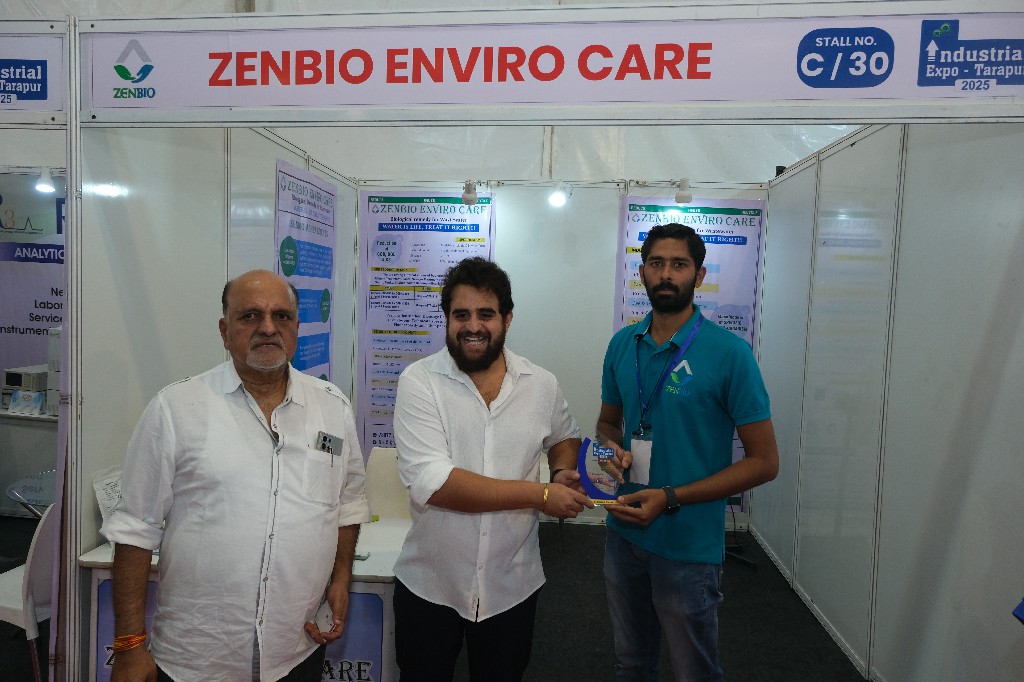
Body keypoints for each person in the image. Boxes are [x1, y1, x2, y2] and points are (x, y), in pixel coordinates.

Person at [101, 269, 372, 682]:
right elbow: (134, 530)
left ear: (297, 328)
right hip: (198, 658)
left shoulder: (332, 407)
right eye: (250, 316)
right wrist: (128, 645)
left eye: (281, 316)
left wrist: (340, 575)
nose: (268, 328)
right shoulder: (176, 409)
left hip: (297, 647)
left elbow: (348, 502)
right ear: (224, 331)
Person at [391, 256, 593, 682]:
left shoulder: (541, 384)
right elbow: (437, 485)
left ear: (507, 318)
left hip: (511, 585)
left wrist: (561, 471)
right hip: (431, 583)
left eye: (486, 314)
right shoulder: (419, 381)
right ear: (446, 318)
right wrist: (540, 494)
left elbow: (565, 436)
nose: (473, 326)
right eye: (460, 315)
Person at [597, 223, 780, 681]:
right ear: (641, 272)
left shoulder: (730, 354)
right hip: (623, 532)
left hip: (688, 544)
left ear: (698, 276)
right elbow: (606, 423)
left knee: (693, 671)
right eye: (656, 263)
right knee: (630, 664)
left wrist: (671, 496)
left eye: (679, 265)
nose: (666, 274)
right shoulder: (622, 345)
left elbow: (764, 462)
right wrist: (609, 448)